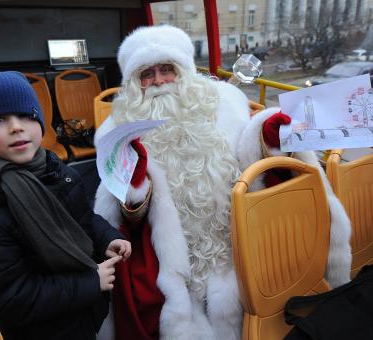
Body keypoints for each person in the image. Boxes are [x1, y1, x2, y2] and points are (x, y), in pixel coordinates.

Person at [93, 25, 351, 340]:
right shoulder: (118, 130)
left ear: (184, 72)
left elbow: (250, 159)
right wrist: (136, 187)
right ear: (134, 83)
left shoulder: (225, 101)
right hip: (173, 251)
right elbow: (126, 216)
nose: (159, 81)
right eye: (147, 74)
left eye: (167, 70)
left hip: (232, 236)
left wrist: (267, 132)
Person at [0, 71, 131, 340]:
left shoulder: (57, 172)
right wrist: (89, 283)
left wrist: (107, 237)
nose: (16, 127)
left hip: (82, 317)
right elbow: (10, 298)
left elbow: (80, 218)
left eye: (26, 115)